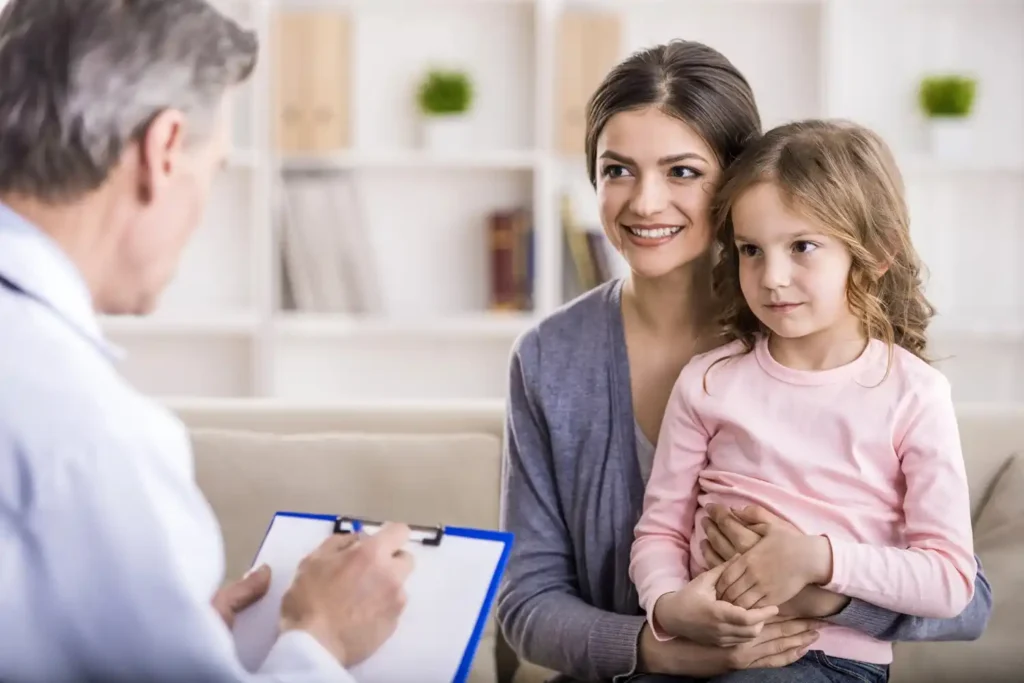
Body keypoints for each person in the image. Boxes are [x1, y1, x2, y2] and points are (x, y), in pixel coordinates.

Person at [497, 40, 992, 683]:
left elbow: (965, 600)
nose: (645, 203)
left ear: (736, 183)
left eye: (681, 171)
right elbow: (526, 602)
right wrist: (657, 644)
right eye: (617, 169)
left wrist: (819, 588)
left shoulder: (833, 352)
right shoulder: (551, 358)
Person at [0, 1, 413, 681]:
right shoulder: (95, 443)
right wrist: (320, 640)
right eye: (214, 169)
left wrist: (174, 634)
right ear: (163, 151)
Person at [628, 119, 977, 683]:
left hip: (826, 660)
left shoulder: (914, 394)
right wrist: (668, 607)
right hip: (696, 654)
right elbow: (660, 530)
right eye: (751, 250)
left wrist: (817, 559)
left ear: (877, 253)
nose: (773, 277)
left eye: (803, 246)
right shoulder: (708, 381)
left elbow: (950, 581)